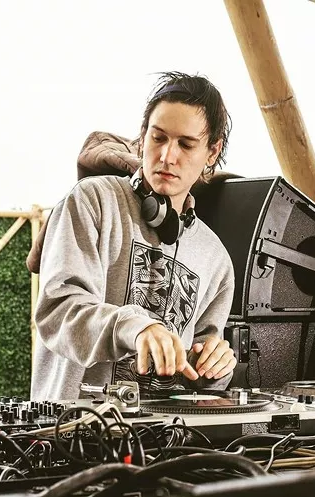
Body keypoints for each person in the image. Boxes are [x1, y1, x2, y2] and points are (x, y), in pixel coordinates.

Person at [30, 72, 237, 400]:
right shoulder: (92, 202)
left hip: (166, 432)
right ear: (143, 137)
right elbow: (58, 310)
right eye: (158, 138)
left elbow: (201, 379)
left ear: (212, 152)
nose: (167, 156)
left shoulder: (217, 261)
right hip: (72, 426)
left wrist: (216, 367)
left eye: (186, 144)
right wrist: (135, 327)